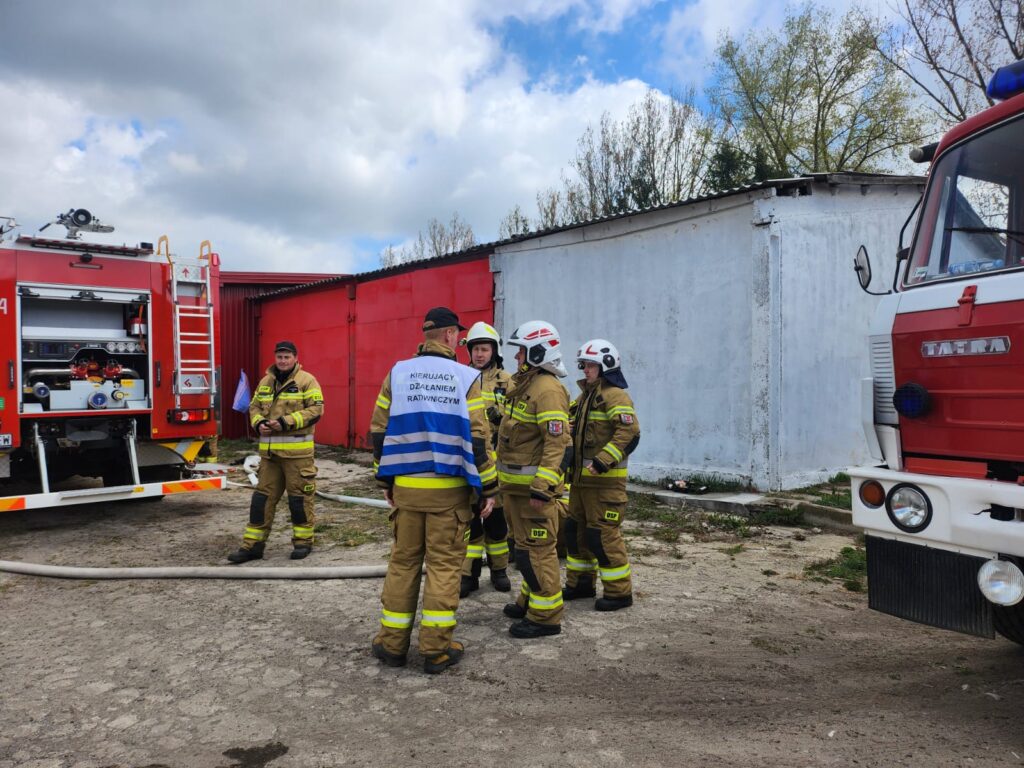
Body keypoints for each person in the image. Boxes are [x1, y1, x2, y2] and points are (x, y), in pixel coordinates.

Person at [370, 307, 499, 674]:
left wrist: (386, 481)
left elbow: (378, 432)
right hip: (450, 495)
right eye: (457, 335)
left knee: (403, 564)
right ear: (449, 335)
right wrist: (489, 488)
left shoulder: (398, 373)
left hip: (408, 491)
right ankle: (436, 650)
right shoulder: (467, 378)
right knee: (443, 567)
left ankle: (391, 645)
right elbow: (478, 440)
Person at [497, 320, 571, 639]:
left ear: (538, 353)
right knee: (525, 549)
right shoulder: (526, 385)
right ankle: (530, 600)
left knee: (537, 551)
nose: (516, 357)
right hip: (516, 490)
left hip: (533, 493)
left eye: (521, 351)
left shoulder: (548, 390)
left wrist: (542, 488)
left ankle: (545, 617)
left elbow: (558, 443)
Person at [227, 341, 324, 563]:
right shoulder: (266, 382)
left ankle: (303, 543)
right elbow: (254, 407)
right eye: (279, 357)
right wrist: (259, 423)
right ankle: (252, 546)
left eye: (287, 357)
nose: (282, 361)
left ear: (295, 358)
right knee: (261, 501)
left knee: (299, 501)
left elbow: (316, 410)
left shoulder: (307, 381)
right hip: (270, 457)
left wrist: (285, 422)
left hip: (297, 458)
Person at [564, 339, 640, 611]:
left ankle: (619, 593)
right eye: (584, 364)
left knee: (602, 536)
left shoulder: (615, 395)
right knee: (575, 533)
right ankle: (580, 583)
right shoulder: (584, 397)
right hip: (580, 483)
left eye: (591, 365)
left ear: (606, 366)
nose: (585, 369)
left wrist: (603, 461)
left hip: (605, 485)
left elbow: (629, 432)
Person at [459, 321, 513, 597]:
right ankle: (468, 575)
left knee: (497, 523)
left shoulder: (507, 382)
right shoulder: (460, 377)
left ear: (494, 351)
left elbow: (519, 420)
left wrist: (501, 419)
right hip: (468, 462)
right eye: (475, 349)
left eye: (484, 349)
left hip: (496, 463)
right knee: (470, 523)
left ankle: (499, 570)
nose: (479, 354)